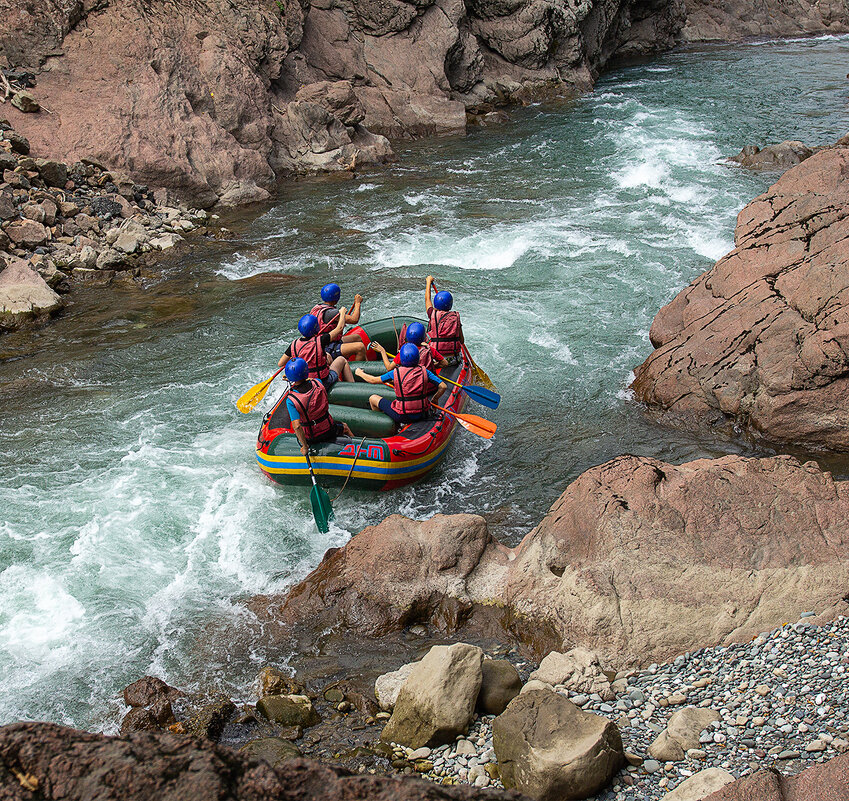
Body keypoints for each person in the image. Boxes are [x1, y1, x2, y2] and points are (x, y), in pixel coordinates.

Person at [356, 343, 447, 426]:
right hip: (423, 413)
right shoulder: (425, 371)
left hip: (403, 416)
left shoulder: (395, 373)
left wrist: (360, 373)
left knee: (373, 398)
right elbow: (443, 386)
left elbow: (373, 380)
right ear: (418, 358)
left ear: (401, 358)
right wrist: (435, 399)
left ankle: (385, 426)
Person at [284, 358, 352, 456]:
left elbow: (297, 426)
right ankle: (358, 448)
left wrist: (305, 446)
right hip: (329, 429)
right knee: (344, 427)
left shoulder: (291, 400)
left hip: (311, 437)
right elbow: (310, 380)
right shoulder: (318, 383)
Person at [278, 313, 353, 390]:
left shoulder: (293, 345)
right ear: (316, 328)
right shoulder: (321, 340)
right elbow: (339, 328)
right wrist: (343, 313)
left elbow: (280, 363)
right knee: (341, 359)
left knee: (328, 356)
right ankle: (353, 388)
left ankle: (338, 383)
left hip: (305, 381)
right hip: (323, 381)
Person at [310, 283, 368, 361]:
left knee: (357, 337)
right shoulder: (332, 313)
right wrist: (357, 303)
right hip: (326, 347)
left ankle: (366, 363)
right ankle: (357, 371)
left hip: (324, 341)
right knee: (360, 347)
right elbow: (354, 319)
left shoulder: (317, 308)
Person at [371, 321, 447, 372]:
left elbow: (389, 368)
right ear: (424, 337)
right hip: (428, 383)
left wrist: (382, 351)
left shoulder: (404, 352)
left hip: (412, 384)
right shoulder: (430, 349)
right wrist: (431, 366)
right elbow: (445, 363)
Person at [425, 276, 464, 362]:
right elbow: (461, 341)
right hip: (454, 359)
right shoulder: (456, 317)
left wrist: (428, 282)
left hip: (437, 358)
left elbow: (427, 299)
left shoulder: (432, 314)